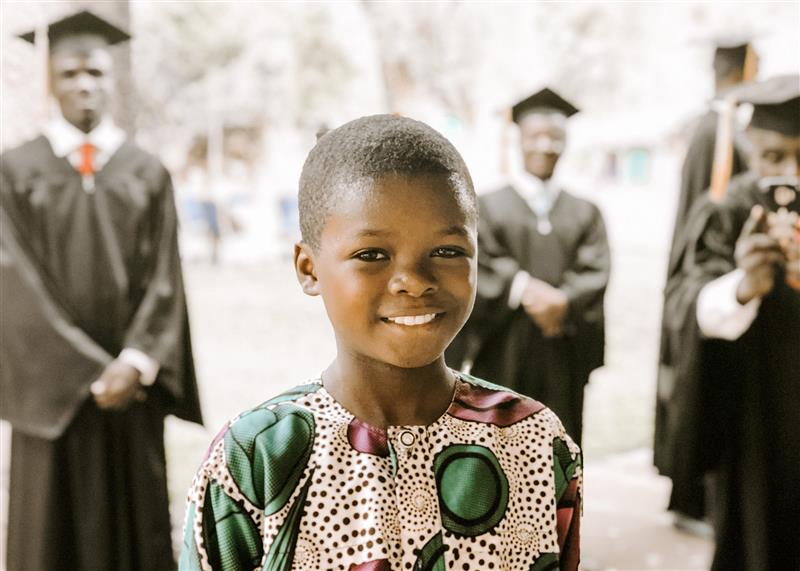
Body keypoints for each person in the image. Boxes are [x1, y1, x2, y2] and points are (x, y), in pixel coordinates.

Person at [179, 115, 582, 570]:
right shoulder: (258, 456)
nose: (413, 281)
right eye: (372, 255)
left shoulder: (534, 440)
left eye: (447, 251)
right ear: (309, 269)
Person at [0, 10, 203, 570]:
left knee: (135, 532)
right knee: (48, 539)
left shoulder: (146, 171)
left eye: (94, 71)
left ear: (113, 75)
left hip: (130, 392)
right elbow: (12, 281)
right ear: (49, 80)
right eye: (68, 74)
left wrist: (136, 363)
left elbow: (166, 277)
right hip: (52, 397)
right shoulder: (14, 171)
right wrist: (89, 371)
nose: (83, 84)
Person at [663, 74, 799, 571]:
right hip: (755, 421)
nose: (790, 172)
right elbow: (684, 303)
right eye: (774, 157)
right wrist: (742, 286)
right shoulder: (729, 207)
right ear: (753, 152)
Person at [446, 87, 610, 445]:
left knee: (559, 447)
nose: (545, 146)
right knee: (498, 449)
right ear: (518, 139)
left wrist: (563, 300)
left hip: (562, 353)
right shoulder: (485, 206)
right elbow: (476, 262)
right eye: (535, 136)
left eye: (555, 137)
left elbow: (595, 271)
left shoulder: (586, 211)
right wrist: (523, 288)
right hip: (502, 350)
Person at [654, 40, 758, 526]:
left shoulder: (718, 127)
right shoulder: (715, 133)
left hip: (716, 268)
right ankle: (690, 497)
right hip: (708, 267)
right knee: (694, 380)